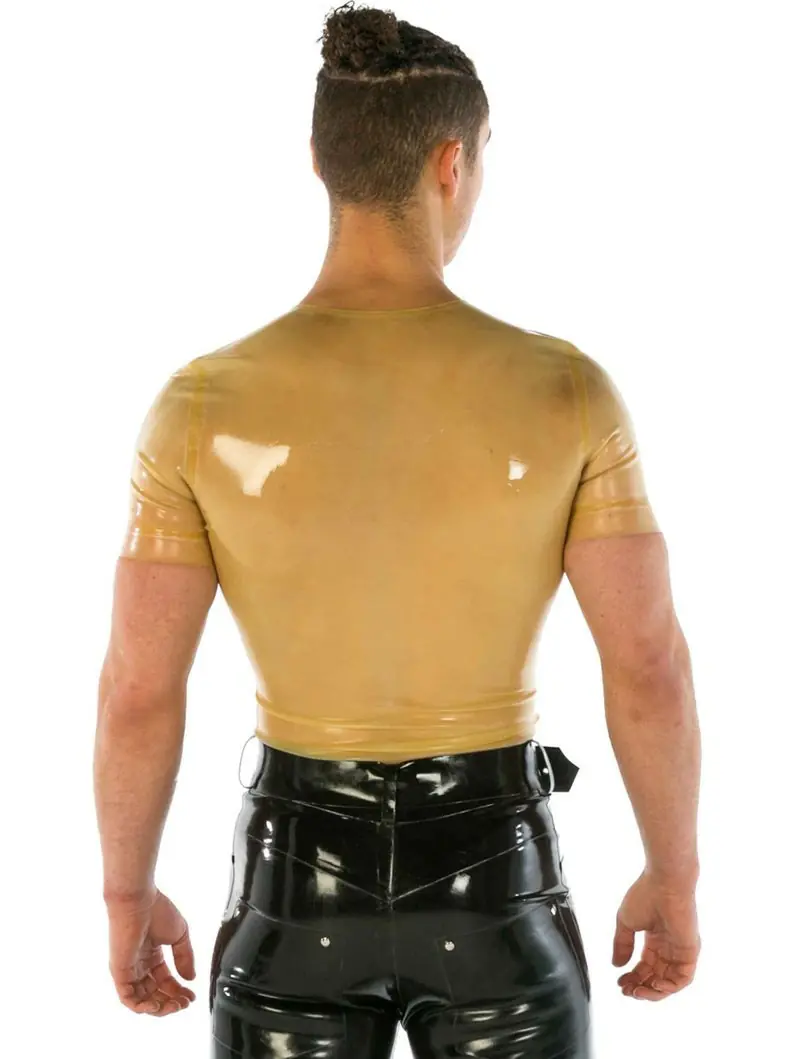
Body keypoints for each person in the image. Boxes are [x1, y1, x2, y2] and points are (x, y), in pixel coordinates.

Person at [93, 4, 701, 1057]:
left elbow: (138, 689)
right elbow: (647, 665)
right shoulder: (566, 393)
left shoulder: (198, 408)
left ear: (319, 163)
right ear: (451, 163)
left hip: (295, 884)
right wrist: (673, 876)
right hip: (493, 881)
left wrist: (125, 895)